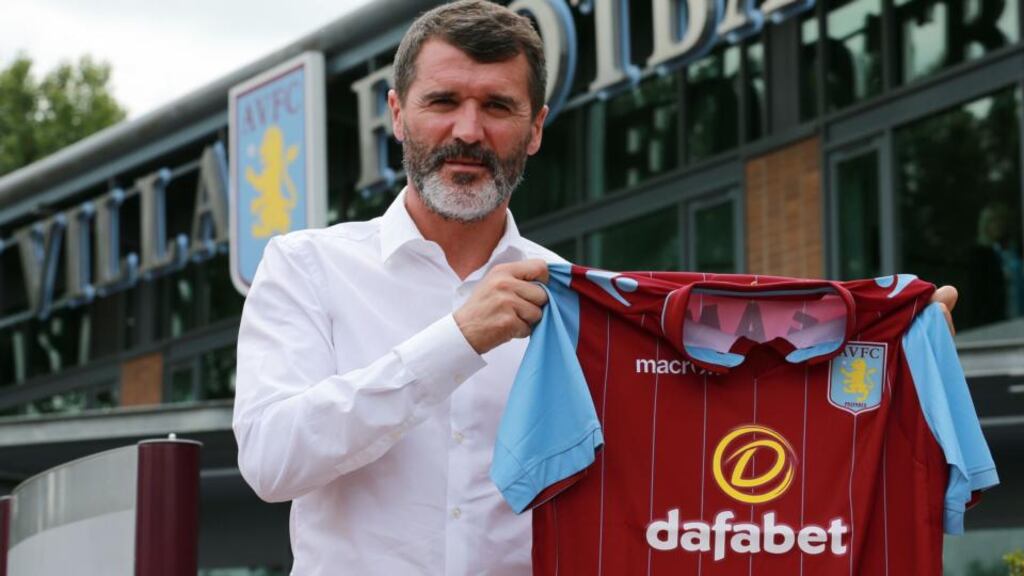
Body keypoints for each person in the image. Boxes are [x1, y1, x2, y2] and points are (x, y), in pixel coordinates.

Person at [232, 1, 960, 575]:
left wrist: (892, 348)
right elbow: (272, 460)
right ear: (397, 113)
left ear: (537, 128)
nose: (468, 130)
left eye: (498, 107)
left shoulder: (580, 307)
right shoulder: (306, 266)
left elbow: (718, 425)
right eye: (443, 101)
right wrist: (456, 342)